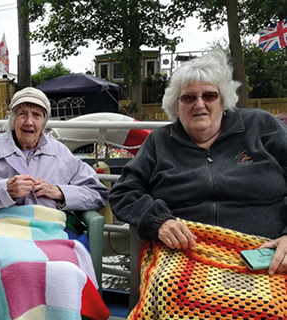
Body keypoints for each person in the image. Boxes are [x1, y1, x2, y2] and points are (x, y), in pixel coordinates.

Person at [109, 49, 287, 275]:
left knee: (270, 307)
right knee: (174, 300)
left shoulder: (261, 127)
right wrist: (159, 221)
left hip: (265, 251)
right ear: (176, 105)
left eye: (209, 96)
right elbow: (124, 192)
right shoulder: (159, 142)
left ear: (223, 100)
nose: (199, 104)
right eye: (189, 97)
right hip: (185, 255)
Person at [0, 87, 110, 320]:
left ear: (44, 122)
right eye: (22, 114)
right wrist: (3, 190)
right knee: (7, 267)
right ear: (12, 120)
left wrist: (59, 192)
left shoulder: (60, 153)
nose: (29, 121)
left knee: (65, 270)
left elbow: (98, 193)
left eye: (36, 115)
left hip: (48, 230)